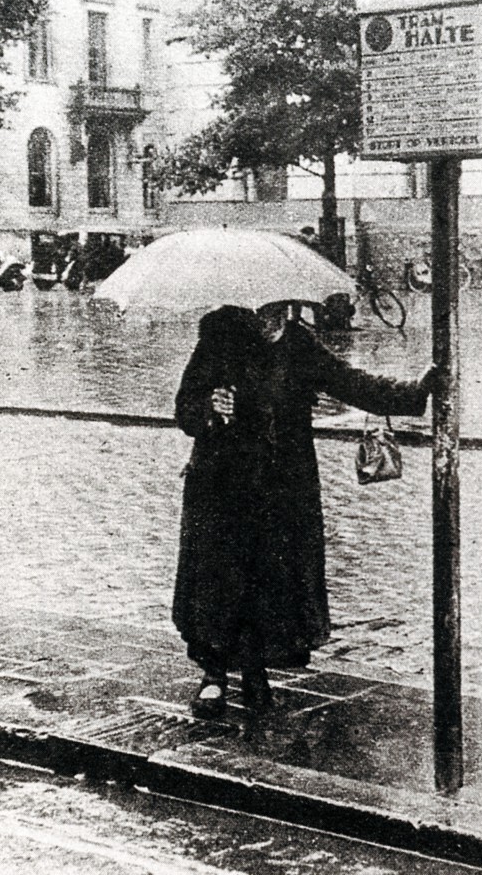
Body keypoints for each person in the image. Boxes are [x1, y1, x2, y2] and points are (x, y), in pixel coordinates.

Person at [173, 301, 436, 718]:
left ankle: (256, 671)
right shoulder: (219, 337)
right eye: (262, 313)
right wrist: (210, 407)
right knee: (220, 580)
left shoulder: (299, 343)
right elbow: (185, 407)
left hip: (282, 486)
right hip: (222, 485)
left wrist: (413, 392)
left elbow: (351, 382)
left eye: (277, 312)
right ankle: (214, 676)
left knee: (269, 580)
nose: (270, 320)